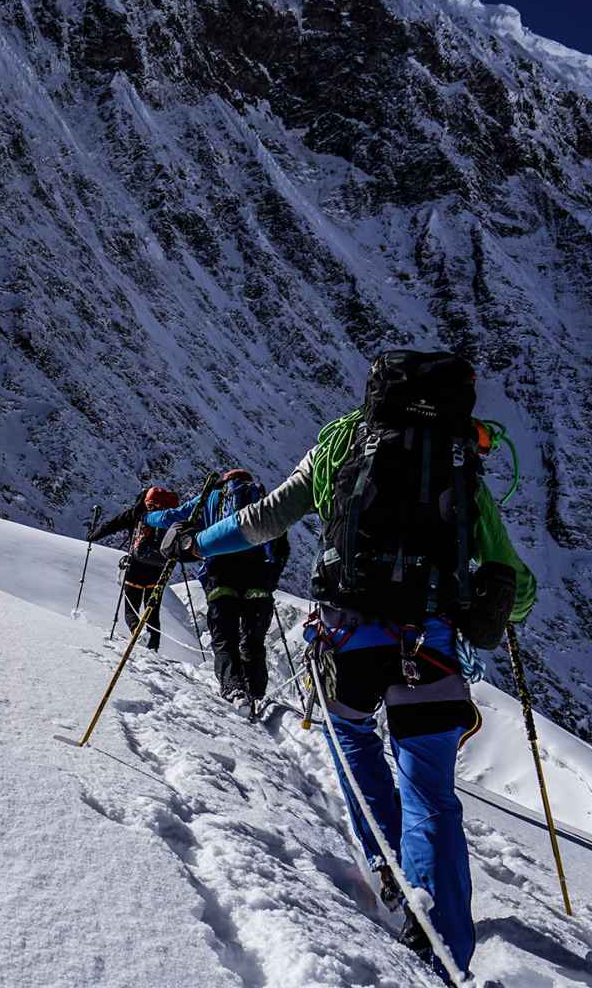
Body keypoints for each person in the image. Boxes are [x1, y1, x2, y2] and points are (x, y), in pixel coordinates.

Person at [162, 351, 536, 981]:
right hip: (432, 647)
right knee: (433, 798)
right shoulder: (458, 462)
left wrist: (193, 542)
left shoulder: (340, 445)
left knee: (356, 746)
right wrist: (500, 602)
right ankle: (447, 952)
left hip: (348, 637)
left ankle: (386, 872)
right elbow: (517, 583)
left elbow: (261, 522)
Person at [145, 469, 289, 710]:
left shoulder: (210, 498)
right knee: (253, 640)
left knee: (225, 637)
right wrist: (272, 576)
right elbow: (281, 541)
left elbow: (173, 516)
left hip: (220, 575)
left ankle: (233, 689)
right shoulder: (262, 499)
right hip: (258, 577)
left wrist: (147, 517)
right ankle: (256, 693)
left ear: (224, 482)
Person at [87, 485, 180, 651]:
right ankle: (153, 648)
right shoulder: (168, 516)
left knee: (130, 609)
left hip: (135, 568)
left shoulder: (136, 513)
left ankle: (137, 631)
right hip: (158, 570)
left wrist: (93, 536)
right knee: (152, 611)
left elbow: (112, 525)